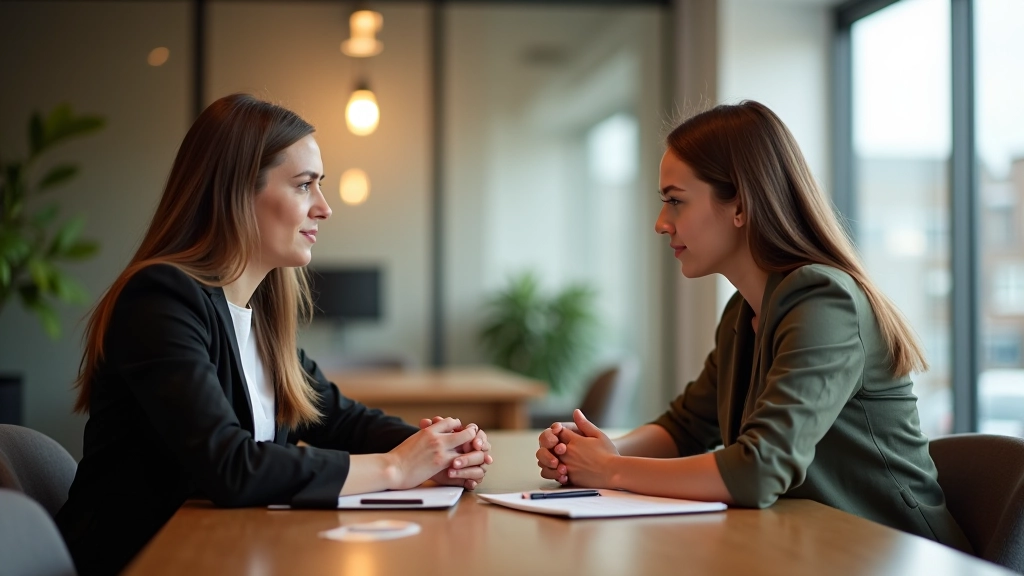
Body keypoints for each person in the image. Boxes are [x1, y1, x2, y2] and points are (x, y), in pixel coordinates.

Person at [55, 94, 492, 576]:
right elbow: (231, 468)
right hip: (143, 561)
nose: (324, 209)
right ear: (237, 191)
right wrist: (396, 468)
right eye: (305, 186)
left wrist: (437, 450)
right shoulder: (160, 299)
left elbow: (339, 419)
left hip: (226, 553)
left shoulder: (257, 315)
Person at [536, 100, 972, 552]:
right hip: (815, 548)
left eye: (675, 201)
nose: (661, 223)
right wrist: (600, 450)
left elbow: (759, 469)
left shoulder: (825, 301)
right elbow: (686, 428)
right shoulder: (743, 312)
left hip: (903, 556)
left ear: (740, 205)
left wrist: (610, 470)